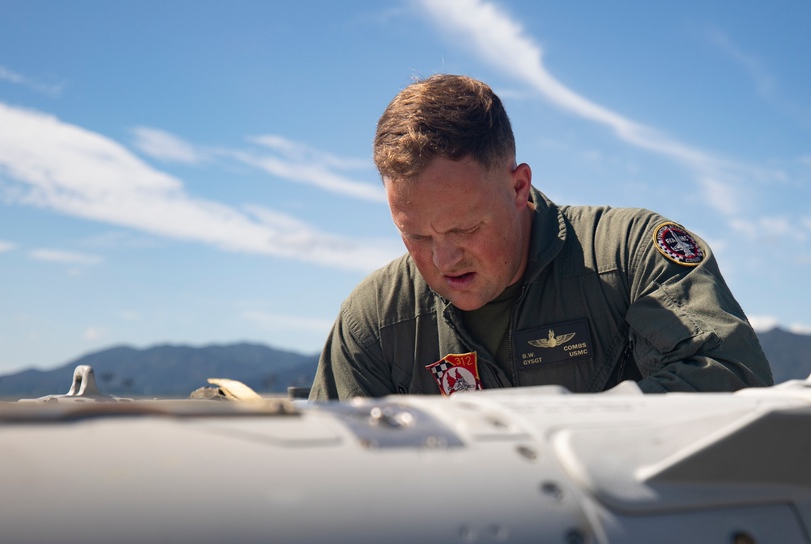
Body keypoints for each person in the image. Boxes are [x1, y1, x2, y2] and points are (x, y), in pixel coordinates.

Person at [310, 74, 772, 399]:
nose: (445, 258)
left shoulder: (630, 256)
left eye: (465, 228)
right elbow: (328, 471)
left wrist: (555, 436)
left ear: (518, 188)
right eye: (415, 236)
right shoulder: (373, 320)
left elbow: (734, 380)